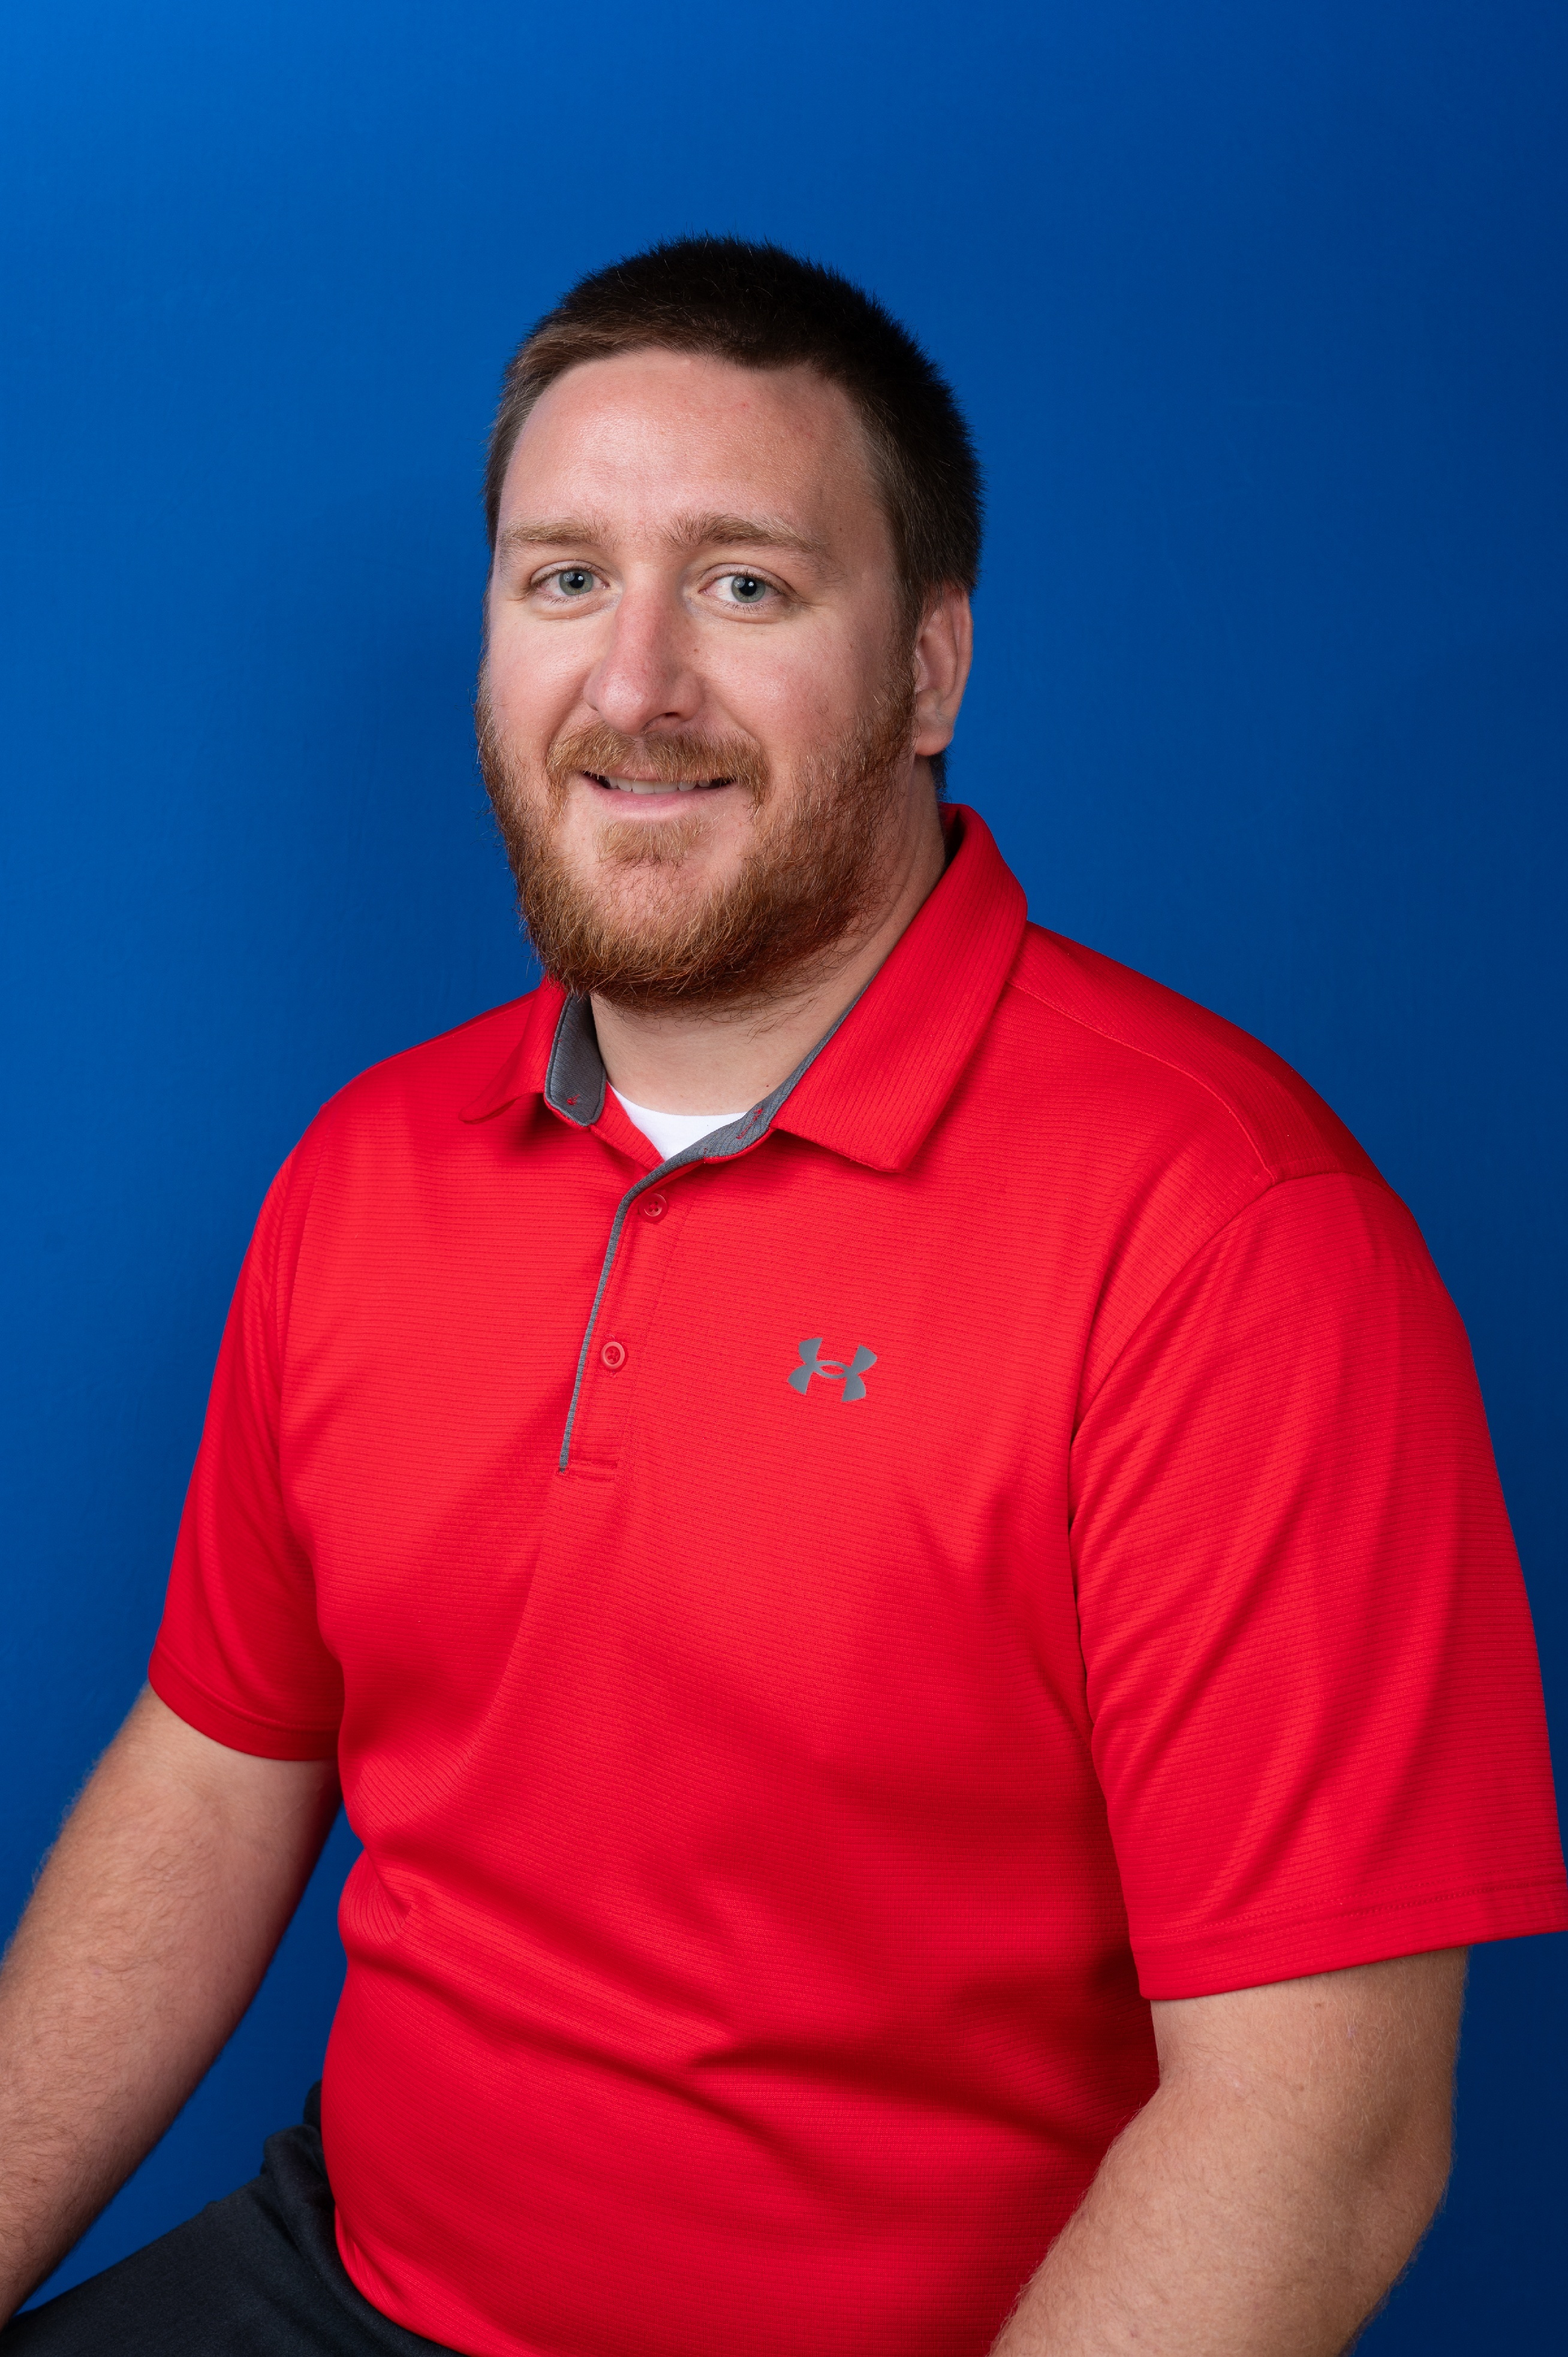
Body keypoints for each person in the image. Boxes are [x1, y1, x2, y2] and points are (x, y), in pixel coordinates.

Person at [0, 236, 1562, 2357]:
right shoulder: (364, 1172)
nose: (634, 683)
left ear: (929, 669)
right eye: (566, 579)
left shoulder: (1227, 1236)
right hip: (343, 2278)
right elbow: (211, 1778)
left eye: (744, 585)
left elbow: (1325, 2128)